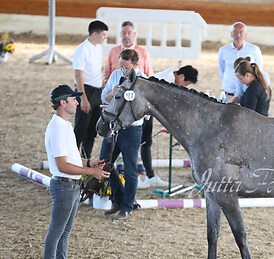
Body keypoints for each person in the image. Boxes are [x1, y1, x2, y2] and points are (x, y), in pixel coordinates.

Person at [39, 85, 110, 259]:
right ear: (63, 102)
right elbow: (62, 165)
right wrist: (92, 173)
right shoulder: (57, 128)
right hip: (64, 185)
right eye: (73, 99)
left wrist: (89, 163)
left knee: (65, 231)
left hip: (71, 185)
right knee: (56, 231)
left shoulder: (65, 125)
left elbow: (71, 158)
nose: (77, 102)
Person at [100, 49, 146, 220]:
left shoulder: (143, 80)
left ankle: (127, 206)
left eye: (126, 68)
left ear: (135, 65)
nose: (123, 71)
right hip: (113, 126)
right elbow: (104, 97)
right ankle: (118, 200)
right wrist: (112, 93)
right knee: (105, 162)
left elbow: (146, 111)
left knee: (129, 168)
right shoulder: (115, 75)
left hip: (131, 128)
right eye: (121, 67)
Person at [136, 65, 199, 189]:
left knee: (146, 144)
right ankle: (136, 177)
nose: (185, 86)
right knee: (136, 145)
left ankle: (150, 176)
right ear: (181, 76)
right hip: (140, 113)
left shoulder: (173, 76)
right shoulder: (163, 80)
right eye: (186, 83)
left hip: (148, 114)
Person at [72, 20, 108, 159]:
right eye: (103, 35)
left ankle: (85, 158)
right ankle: (72, 159)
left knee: (92, 131)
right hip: (85, 90)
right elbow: (78, 75)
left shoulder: (98, 48)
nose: (105, 37)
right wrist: (83, 98)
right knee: (81, 129)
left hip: (97, 91)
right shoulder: (82, 49)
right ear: (95, 34)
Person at [218, 22, 263, 99]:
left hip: (248, 93)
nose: (238, 35)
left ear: (246, 34)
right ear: (231, 34)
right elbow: (222, 70)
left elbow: (259, 70)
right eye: (235, 32)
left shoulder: (254, 50)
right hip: (229, 92)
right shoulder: (223, 50)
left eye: (241, 32)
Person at [103, 20, 154, 86]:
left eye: (129, 33)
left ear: (134, 34)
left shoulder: (143, 52)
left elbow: (149, 77)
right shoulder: (113, 51)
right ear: (120, 34)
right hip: (116, 91)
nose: (126, 35)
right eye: (124, 33)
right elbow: (106, 76)